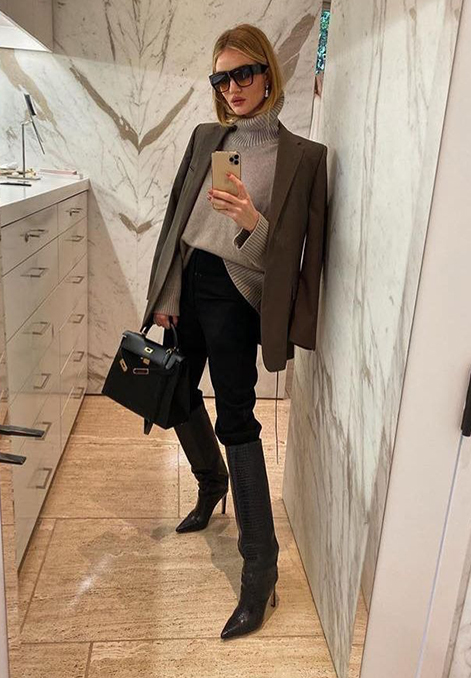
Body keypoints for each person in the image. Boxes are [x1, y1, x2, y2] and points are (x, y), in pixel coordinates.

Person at [142, 23, 328, 639]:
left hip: (237, 294)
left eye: (243, 73)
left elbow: (294, 262)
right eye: (221, 79)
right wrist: (168, 294)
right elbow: (179, 222)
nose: (232, 88)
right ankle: (210, 481)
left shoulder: (303, 158)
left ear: (268, 73)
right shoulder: (208, 138)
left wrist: (251, 219)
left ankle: (260, 569)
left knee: (237, 420)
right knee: (174, 391)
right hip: (193, 280)